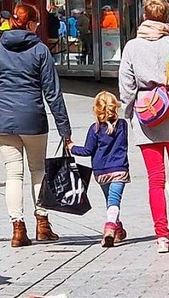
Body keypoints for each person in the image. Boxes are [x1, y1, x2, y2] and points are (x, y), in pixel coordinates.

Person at [0, 3, 72, 248]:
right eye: (37, 22)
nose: (37, 26)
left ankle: (18, 229)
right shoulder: (40, 50)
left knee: (13, 173)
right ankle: (42, 223)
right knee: (38, 170)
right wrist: (65, 130)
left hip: (4, 120)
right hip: (33, 118)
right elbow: (53, 93)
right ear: (29, 23)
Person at [119, 0, 169, 253]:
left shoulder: (132, 47)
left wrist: (129, 111)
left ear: (144, 16)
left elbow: (126, 85)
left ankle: (161, 236)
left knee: (155, 178)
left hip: (146, 113)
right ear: (166, 18)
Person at [68, 91, 129, 248]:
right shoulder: (122, 125)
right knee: (114, 201)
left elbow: (87, 150)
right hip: (119, 170)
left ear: (96, 109)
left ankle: (117, 230)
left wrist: (71, 147)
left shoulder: (94, 129)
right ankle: (110, 228)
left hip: (101, 172)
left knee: (111, 202)